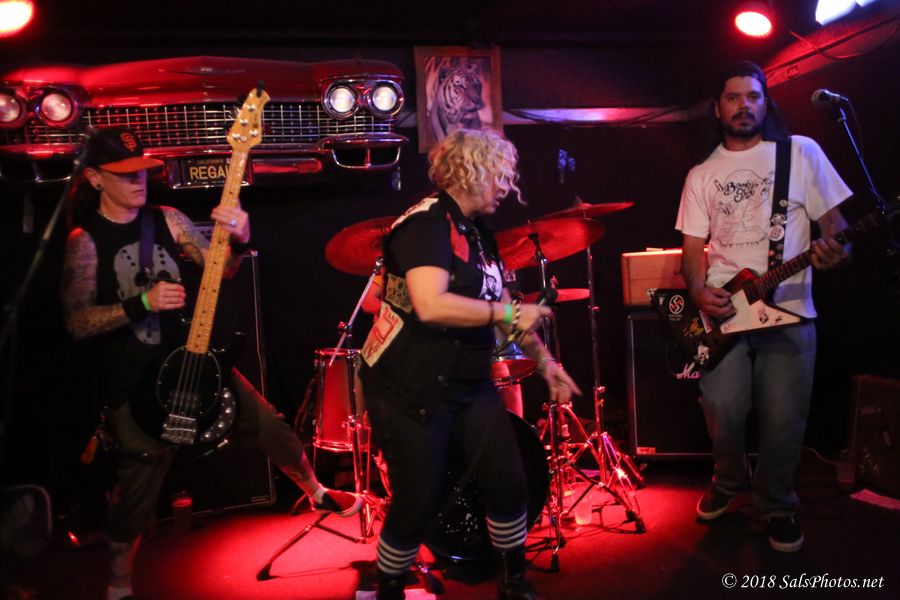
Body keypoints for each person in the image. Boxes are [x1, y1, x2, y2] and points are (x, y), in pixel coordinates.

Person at [60, 127, 361, 600]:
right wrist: (142, 303)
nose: (139, 181)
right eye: (125, 174)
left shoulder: (168, 218)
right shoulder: (85, 240)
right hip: (134, 383)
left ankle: (317, 491)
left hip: (193, 362)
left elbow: (224, 269)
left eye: (142, 171)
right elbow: (77, 322)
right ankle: (119, 587)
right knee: (135, 495)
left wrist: (239, 239)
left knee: (269, 424)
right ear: (96, 179)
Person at [359, 128, 580, 600]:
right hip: (408, 385)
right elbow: (431, 305)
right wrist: (506, 314)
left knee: (509, 480)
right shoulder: (425, 225)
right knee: (417, 500)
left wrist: (545, 362)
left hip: (466, 382)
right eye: (501, 175)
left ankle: (513, 585)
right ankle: (389, 588)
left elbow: (503, 309)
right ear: (472, 172)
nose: (507, 187)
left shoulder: (476, 233)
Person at [675, 61, 852, 552]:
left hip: (790, 310)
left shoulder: (801, 153)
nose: (743, 106)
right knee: (723, 410)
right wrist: (697, 291)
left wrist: (836, 250)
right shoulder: (701, 173)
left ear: (765, 103)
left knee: (783, 419)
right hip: (725, 312)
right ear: (717, 108)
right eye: (733, 97)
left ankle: (777, 504)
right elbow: (691, 253)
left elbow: (836, 228)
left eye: (753, 96)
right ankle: (728, 480)